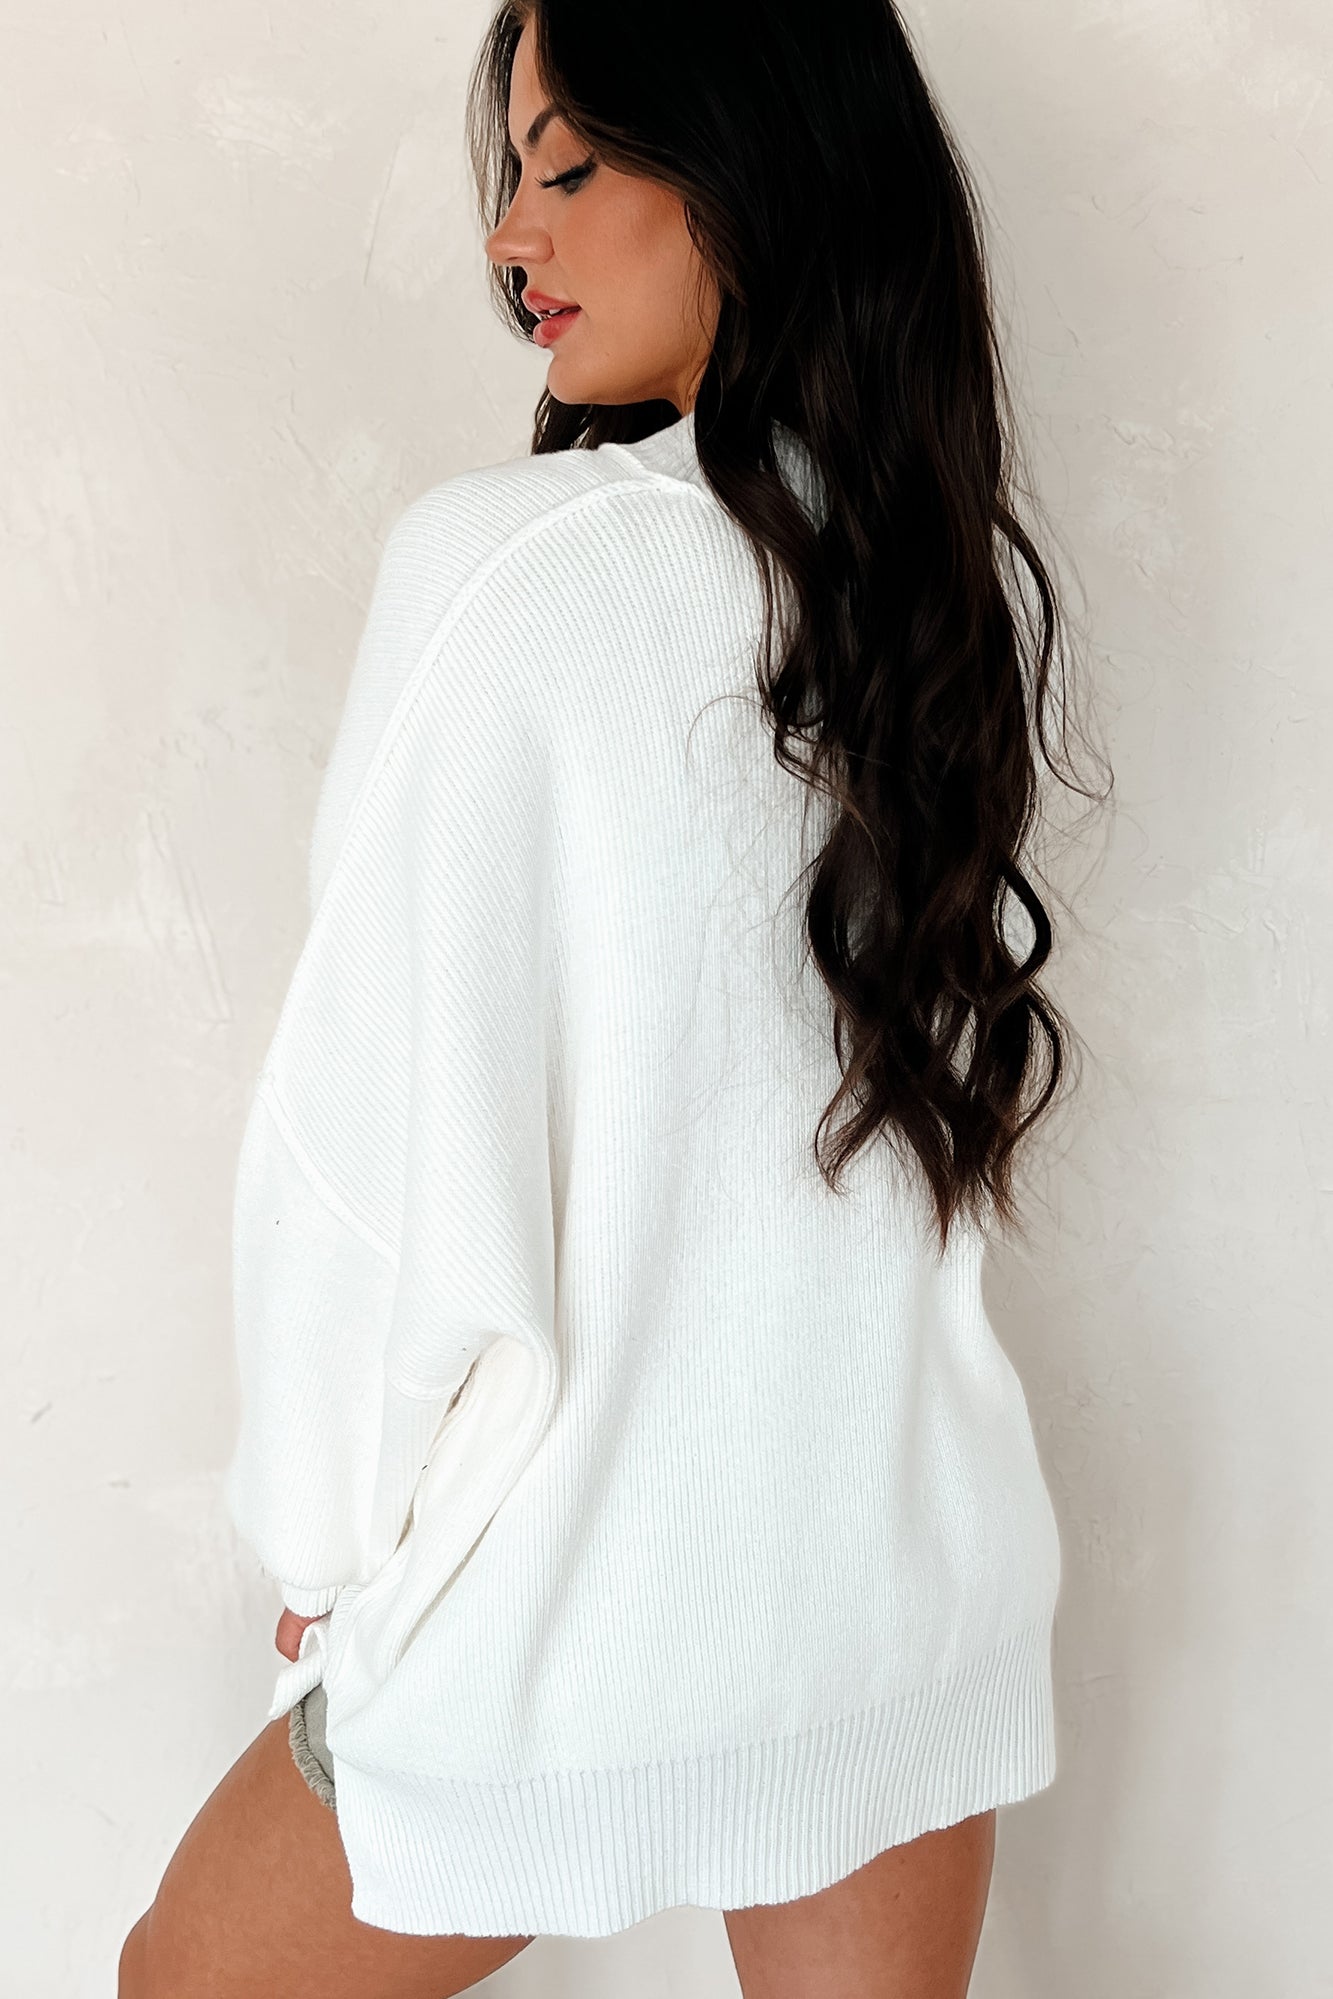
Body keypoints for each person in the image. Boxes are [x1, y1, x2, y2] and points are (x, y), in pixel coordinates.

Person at [121, 0, 1099, 1991]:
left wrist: (325, 1539)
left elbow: (370, 1147)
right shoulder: (939, 596)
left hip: (569, 1602)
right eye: (515, 174)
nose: (512, 234)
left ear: (759, 171)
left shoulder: (510, 579)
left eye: (569, 166)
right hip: (892, 1584)